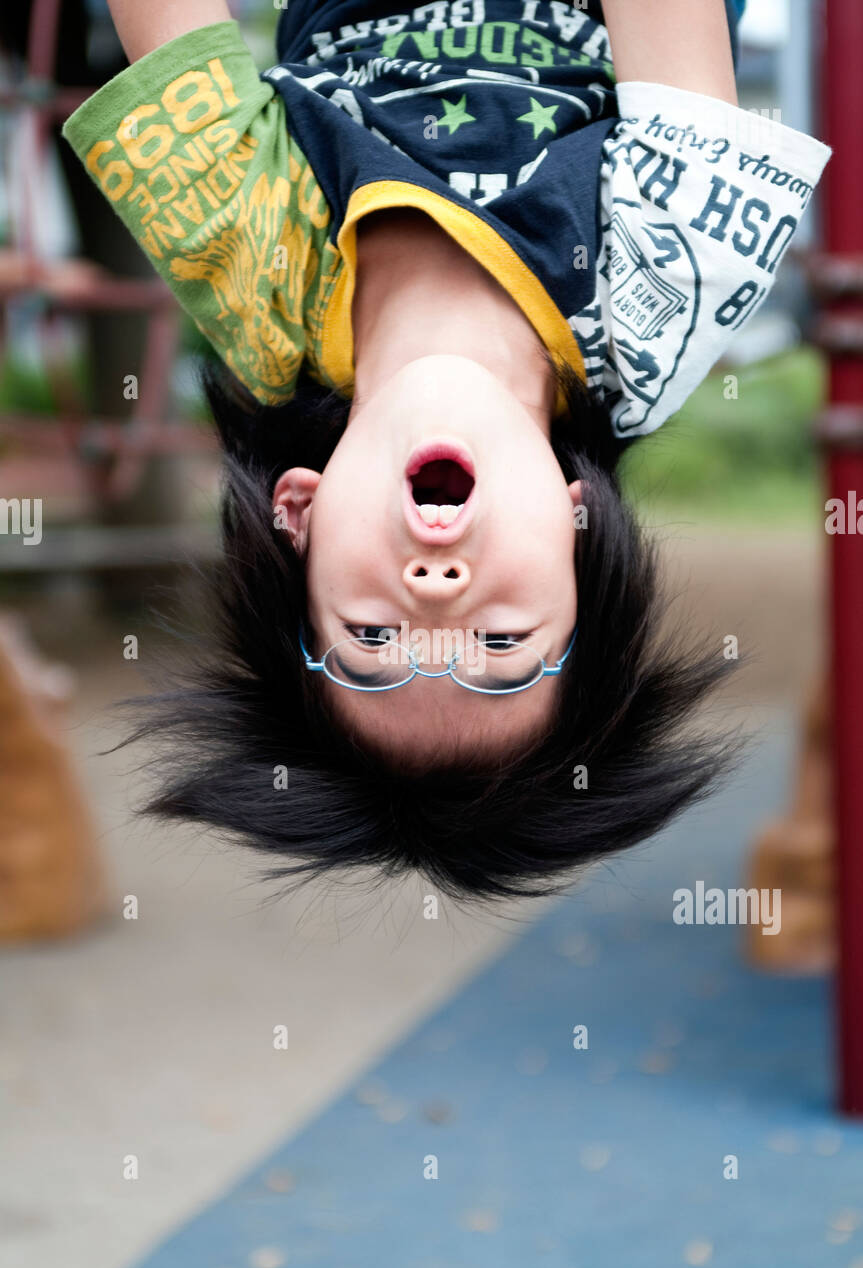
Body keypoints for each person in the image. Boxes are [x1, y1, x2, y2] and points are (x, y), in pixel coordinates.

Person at [62, 0, 831, 899]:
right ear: (576, 530)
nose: (436, 598)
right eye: (502, 644)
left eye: (371, 638)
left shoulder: (262, 286)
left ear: (298, 515)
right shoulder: (651, 311)